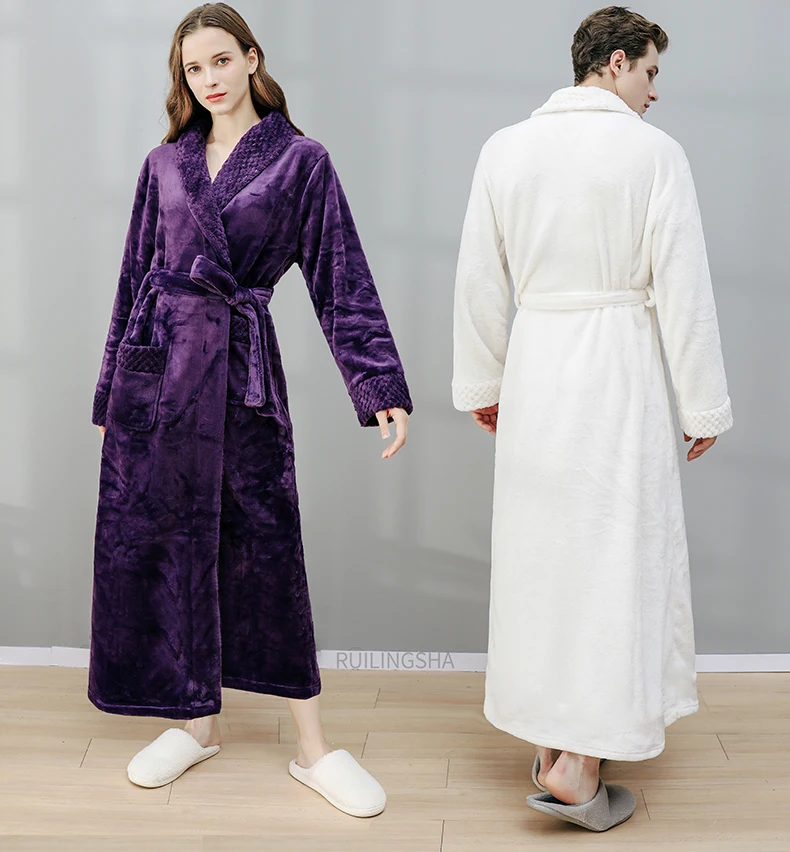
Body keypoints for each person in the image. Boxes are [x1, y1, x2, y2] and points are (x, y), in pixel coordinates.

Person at [88, 2, 412, 818]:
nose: (210, 79)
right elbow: (133, 279)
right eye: (194, 69)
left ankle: (314, 749)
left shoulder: (301, 161)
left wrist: (378, 387)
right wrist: (113, 388)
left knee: (267, 545)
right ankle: (195, 723)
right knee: (169, 541)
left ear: (251, 58)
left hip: (240, 376)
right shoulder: (165, 165)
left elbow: (341, 278)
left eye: (222, 61)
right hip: (160, 378)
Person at [451, 5, 733, 833]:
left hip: (537, 364)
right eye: (649, 72)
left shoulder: (504, 149)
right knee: (613, 553)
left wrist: (484, 383)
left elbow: (479, 278)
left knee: (543, 554)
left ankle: (554, 743)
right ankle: (578, 764)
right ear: (615, 63)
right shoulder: (654, 154)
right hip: (619, 369)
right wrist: (702, 401)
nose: (654, 92)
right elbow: (683, 285)